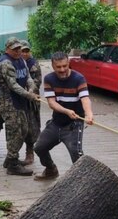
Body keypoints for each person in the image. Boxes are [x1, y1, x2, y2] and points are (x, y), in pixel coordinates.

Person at [33, 51, 93, 181]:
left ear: (68, 63)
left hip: (74, 124)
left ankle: (83, 181)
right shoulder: (49, 79)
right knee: (39, 147)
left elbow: (85, 99)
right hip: (56, 122)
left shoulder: (79, 78)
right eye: (58, 67)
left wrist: (89, 114)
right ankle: (51, 170)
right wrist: (66, 111)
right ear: (53, 66)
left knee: (76, 153)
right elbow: (52, 103)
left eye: (65, 66)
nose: (62, 69)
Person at [0, 37, 39, 176]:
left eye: (19, 48)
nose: (18, 51)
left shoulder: (21, 61)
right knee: (14, 131)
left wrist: (31, 87)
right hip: (9, 102)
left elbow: (28, 77)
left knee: (24, 129)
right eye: (15, 49)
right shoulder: (6, 63)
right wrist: (28, 95)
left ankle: (9, 158)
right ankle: (12, 163)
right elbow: (12, 85)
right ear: (7, 49)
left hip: (20, 101)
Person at [20, 40, 41, 165]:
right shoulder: (15, 63)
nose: (25, 53)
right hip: (18, 100)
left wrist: (30, 91)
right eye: (22, 51)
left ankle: (30, 151)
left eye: (27, 51)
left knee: (31, 128)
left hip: (32, 101)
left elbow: (38, 81)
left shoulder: (34, 64)